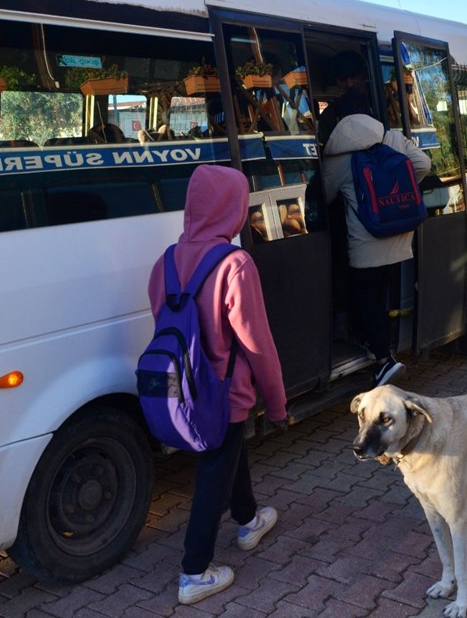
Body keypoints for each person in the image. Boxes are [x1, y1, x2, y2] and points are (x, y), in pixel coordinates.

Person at [146, 164, 288, 604]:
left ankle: (247, 520)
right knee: (214, 469)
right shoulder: (235, 264)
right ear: (233, 209)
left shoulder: (165, 261)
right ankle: (194, 572)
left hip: (181, 390)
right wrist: (278, 404)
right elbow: (257, 342)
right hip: (224, 394)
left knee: (228, 450)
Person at [323, 112, 431, 386]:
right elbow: (424, 164)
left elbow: (324, 195)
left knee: (365, 298)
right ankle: (376, 343)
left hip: (366, 242)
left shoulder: (339, 159)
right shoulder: (394, 139)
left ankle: (383, 362)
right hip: (398, 235)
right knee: (381, 293)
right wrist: (392, 196)